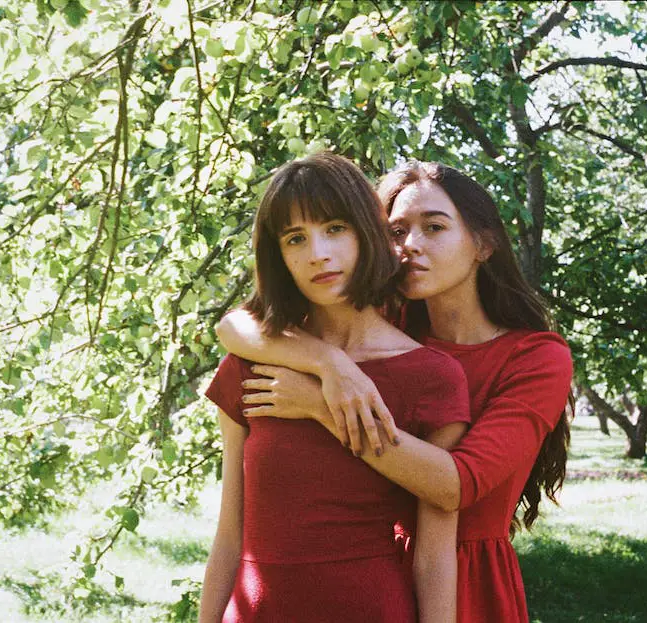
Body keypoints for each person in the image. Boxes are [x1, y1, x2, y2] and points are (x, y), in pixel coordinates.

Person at [215, 160, 574, 623]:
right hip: (371, 570)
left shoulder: (534, 357)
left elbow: (456, 484)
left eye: (434, 228)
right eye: (398, 230)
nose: (410, 247)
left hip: (465, 578)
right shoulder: (383, 331)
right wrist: (331, 364)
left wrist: (322, 404)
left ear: (484, 244)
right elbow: (236, 325)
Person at [198, 153, 471, 623]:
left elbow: (434, 557)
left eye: (336, 228)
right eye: (295, 238)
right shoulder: (251, 362)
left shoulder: (432, 377)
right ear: (278, 255)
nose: (317, 253)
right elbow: (229, 534)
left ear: (368, 231)